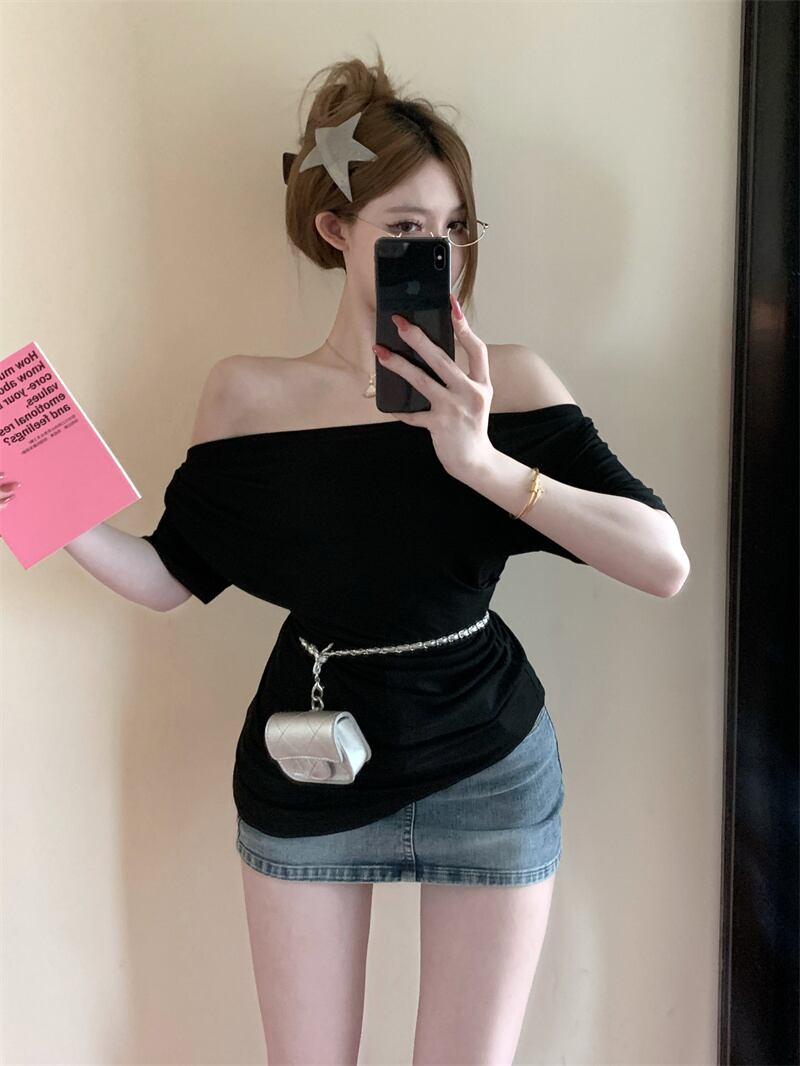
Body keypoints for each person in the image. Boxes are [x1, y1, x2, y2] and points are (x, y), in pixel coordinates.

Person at [55, 46, 689, 1066]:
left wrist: (480, 461)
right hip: (309, 765)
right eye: (403, 228)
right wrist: (41, 502)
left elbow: (662, 562)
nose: (435, 252)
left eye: (453, 228)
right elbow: (169, 577)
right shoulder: (246, 396)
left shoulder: (509, 385)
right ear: (334, 229)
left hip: (487, 761)